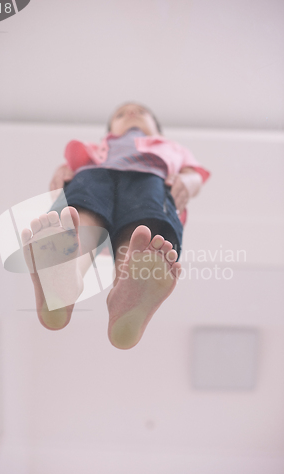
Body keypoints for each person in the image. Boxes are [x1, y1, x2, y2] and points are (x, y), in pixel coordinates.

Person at [21, 103, 210, 349]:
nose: (131, 114)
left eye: (141, 112)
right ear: (109, 130)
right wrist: (61, 172)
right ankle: (67, 272)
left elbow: (194, 175)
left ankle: (126, 289)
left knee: (141, 235)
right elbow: (67, 170)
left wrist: (188, 181)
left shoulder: (171, 148)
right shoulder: (95, 149)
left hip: (150, 177)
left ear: (158, 131)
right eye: (120, 114)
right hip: (94, 175)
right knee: (80, 216)